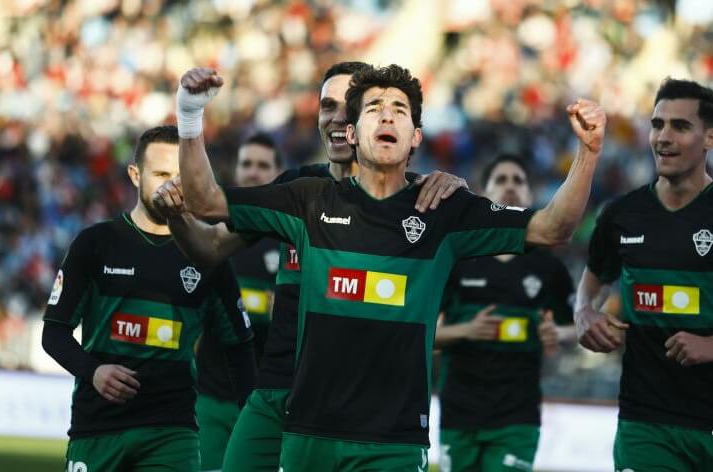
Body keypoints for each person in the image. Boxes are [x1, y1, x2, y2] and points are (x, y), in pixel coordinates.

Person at [169, 63, 604, 470]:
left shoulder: (441, 207)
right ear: (352, 132)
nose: (385, 117)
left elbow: (553, 227)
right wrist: (190, 116)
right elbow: (206, 207)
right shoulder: (303, 198)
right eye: (372, 109)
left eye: (399, 110)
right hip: (301, 413)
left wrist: (587, 153)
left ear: (416, 136)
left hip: (391, 433)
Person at [157, 61, 469, 472]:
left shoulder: (419, 201)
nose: (337, 118)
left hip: (359, 409)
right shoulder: (298, 188)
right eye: (326, 106)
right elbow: (211, 247)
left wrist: (456, 189)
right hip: (276, 391)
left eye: (347, 106)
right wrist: (177, 212)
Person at [41, 126, 255, 472]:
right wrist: (93, 372)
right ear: (135, 175)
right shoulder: (95, 244)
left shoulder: (208, 256)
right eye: (161, 174)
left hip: (173, 430)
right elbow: (54, 334)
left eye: (180, 176)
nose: (172, 184)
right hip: (98, 426)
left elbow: (240, 346)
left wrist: (253, 424)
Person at [575, 78, 713, 471]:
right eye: (657, 125)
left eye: (680, 126)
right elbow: (589, 286)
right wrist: (585, 314)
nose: (663, 137)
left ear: (709, 138)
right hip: (645, 423)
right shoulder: (622, 214)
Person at [436, 154, 575, 472]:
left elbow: (576, 328)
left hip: (518, 418)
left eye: (519, 181)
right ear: (484, 194)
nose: (510, 187)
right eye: (501, 180)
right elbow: (422, 334)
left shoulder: (549, 267)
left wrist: (558, 334)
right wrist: (466, 331)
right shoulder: (457, 260)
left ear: (530, 194)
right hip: (459, 416)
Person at [194, 131, 282, 472]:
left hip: (269, 402)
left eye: (263, 165)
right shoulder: (212, 237)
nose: (253, 172)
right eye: (247, 164)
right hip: (212, 399)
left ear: (279, 173)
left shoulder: (291, 236)